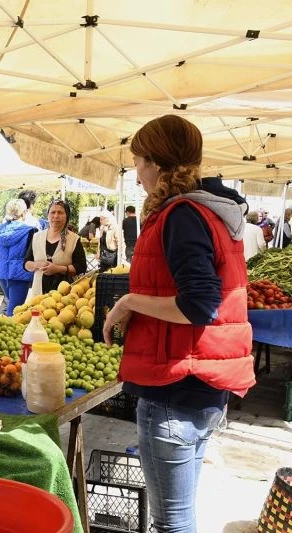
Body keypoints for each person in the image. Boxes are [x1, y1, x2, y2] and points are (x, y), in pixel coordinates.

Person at [103, 115, 254, 533]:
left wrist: (129, 302)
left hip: (177, 384)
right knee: (178, 516)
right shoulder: (212, 211)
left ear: (156, 163)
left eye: (137, 162)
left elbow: (200, 304)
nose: (136, 175)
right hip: (200, 381)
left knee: (170, 523)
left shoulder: (184, 214)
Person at [0, 199, 38, 316]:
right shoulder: (31, 231)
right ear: (24, 213)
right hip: (20, 273)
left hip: (2, 272)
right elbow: (34, 254)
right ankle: (9, 329)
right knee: (15, 309)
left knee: (11, 303)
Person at [24, 199, 87, 295]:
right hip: (39, 293)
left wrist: (58, 269)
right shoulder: (37, 237)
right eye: (53, 212)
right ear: (48, 215)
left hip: (65, 294)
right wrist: (37, 265)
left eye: (60, 213)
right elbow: (26, 264)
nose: (56, 216)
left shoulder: (73, 239)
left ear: (67, 216)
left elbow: (81, 267)